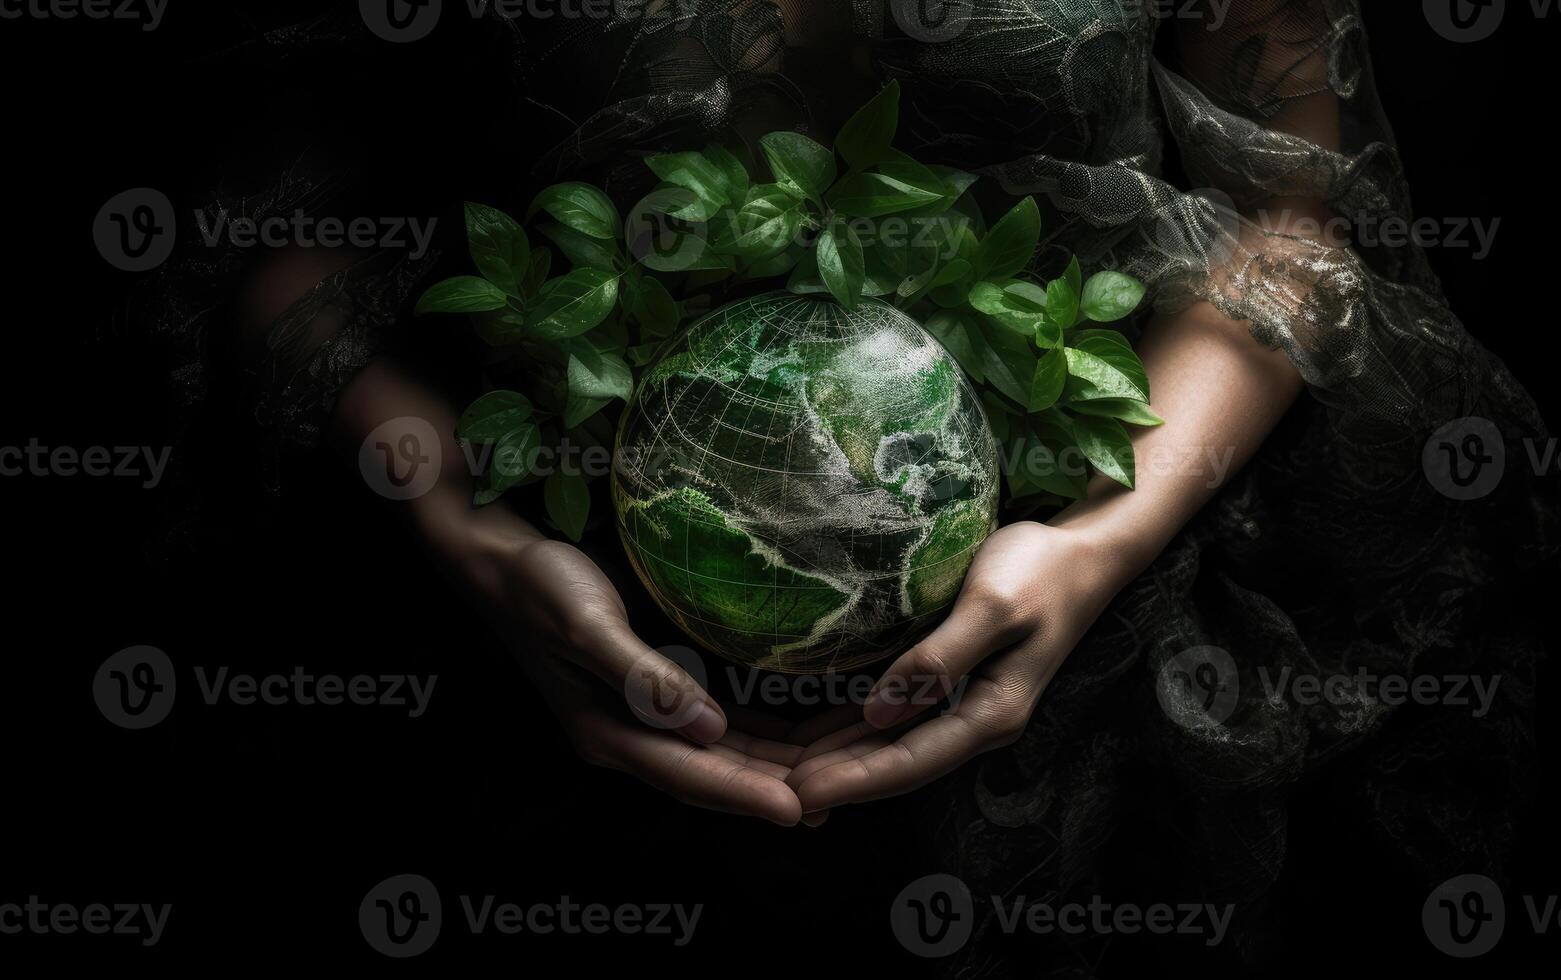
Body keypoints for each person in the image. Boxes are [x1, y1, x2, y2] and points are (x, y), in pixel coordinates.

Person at [140, 1, 1553, 968]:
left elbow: (1291, 208)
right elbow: (272, 198)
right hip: (507, 664)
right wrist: (459, 519)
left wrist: (1104, 535)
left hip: (1093, 662)